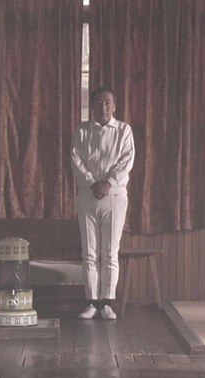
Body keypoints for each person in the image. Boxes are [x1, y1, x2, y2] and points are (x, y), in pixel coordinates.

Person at [71, 86, 135, 320]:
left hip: (114, 196)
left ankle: (106, 302)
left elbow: (126, 160)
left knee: (109, 251)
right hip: (88, 196)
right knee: (89, 251)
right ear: (92, 105)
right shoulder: (82, 131)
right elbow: (76, 159)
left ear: (114, 106)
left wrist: (108, 183)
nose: (103, 106)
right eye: (99, 102)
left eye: (108, 102)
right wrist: (92, 183)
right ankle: (91, 302)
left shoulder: (124, 130)